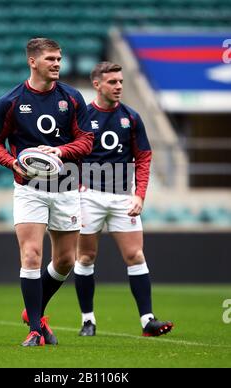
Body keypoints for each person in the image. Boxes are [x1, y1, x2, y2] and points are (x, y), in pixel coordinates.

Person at [0, 38, 94, 347]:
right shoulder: (10, 101)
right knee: (31, 254)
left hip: (66, 187)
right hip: (29, 189)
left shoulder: (72, 98)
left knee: (65, 262)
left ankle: (34, 313)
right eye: (50, 59)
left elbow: (87, 141)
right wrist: (12, 164)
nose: (57, 63)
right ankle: (35, 329)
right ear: (33, 62)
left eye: (59, 58)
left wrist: (59, 151)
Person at [74, 62, 173, 337]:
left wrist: (139, 195)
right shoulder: (82, 117)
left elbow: (143, 157)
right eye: (112, 82)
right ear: (97, 85)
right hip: (88, 196)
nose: (118, 86)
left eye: (120, 81)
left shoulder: (132, 117)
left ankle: (147, 321)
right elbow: (72, 152)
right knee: (85, 257)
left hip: (122, 197)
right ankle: (87, 320)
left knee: (135, 255)